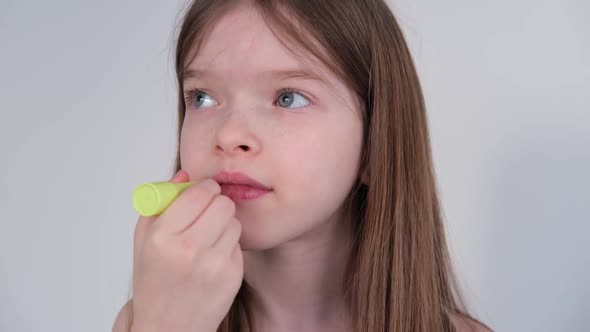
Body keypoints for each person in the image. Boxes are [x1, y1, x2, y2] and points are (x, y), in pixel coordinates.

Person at [113, 0, 493, 331]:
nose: (228, 135)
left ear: (375, 145)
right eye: (203, 98)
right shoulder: (145, 322)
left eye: (288, 98)